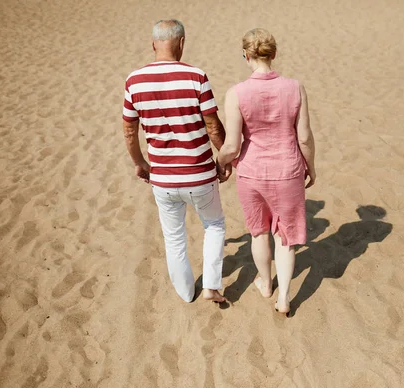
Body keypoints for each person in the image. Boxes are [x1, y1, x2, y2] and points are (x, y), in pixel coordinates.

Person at [122, 19, 231, 304]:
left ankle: (186, 293)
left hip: (163, 178)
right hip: (200, 174)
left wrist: (140, 163)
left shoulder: (133, 81)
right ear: (181, 43)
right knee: (214, 225)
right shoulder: (196, 77)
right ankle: (211, 286)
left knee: (174, 237)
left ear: (153, 44)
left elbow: (129, 131)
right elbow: (214, 127)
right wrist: (226, 157)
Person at [217, 28, 316, 315]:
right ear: (273, 54)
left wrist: (221, 161)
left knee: (259, 232)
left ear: (246, 56)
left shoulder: (236, 93)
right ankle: (284, 296)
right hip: (288, 169)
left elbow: (232, 145)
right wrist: (312, 167)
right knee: (285, 236)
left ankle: (266, 282)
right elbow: (305, 137)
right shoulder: (295, 88)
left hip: (252, 172)